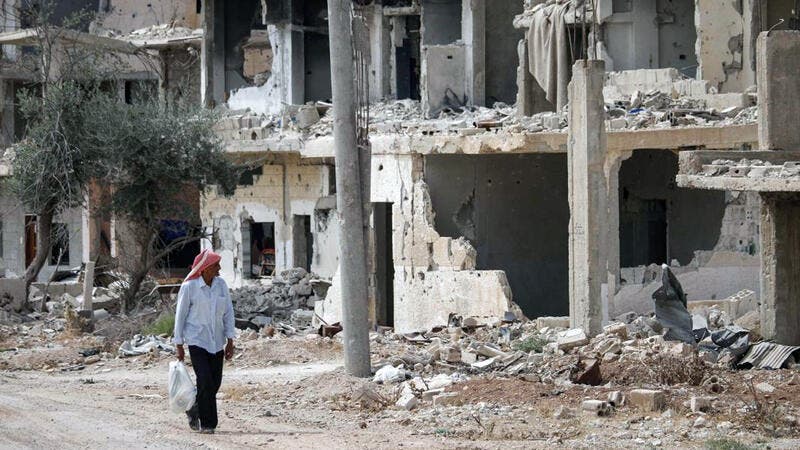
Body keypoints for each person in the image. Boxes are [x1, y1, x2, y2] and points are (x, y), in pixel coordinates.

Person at [173, 249, 235, 434]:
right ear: (206, 268)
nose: (219, 268)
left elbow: (228, 313)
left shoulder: (221, 285)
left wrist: (230, 340)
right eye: (216, 265)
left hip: (217, 341)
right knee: (205, 380)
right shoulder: (189, 287)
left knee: (215, 382)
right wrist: (179, 344)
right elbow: (180, 316)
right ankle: (208, 424)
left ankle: (194, 408)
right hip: (196, 341)